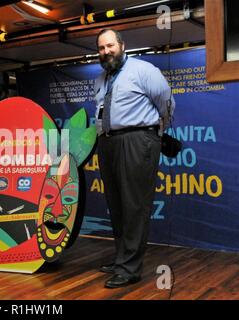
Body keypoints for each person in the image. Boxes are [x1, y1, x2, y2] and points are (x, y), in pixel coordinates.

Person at [93, 29, 175, 288]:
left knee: (134, 206)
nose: (106, 51)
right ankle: (121, 260)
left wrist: (156, 134)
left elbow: (167, 103)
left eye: (109, 46)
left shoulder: (144, 70)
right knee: (116, 205)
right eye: (101, 48)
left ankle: (130, 269)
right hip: (108, 142)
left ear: (122, 45)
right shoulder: (100, 79)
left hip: (137, 140)